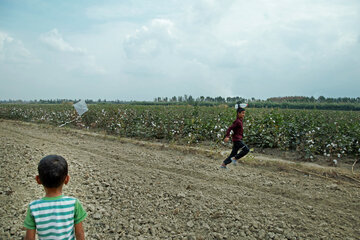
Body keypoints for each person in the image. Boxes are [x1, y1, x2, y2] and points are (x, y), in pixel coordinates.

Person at [24, 155, 87, 240]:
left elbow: (29, 238)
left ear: (38, 180)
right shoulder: (74, 203)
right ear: (67, 179)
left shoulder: (33, 207)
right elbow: (79, 233)